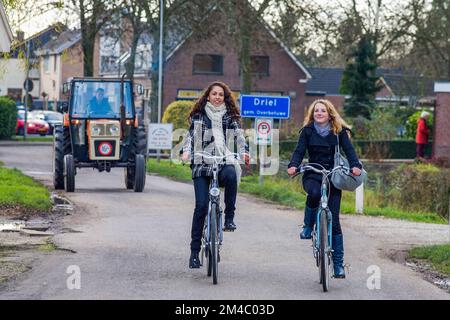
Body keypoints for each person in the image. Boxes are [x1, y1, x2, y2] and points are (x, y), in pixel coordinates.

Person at [287, 99, 362, 278]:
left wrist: (355, 165)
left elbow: (349, 150)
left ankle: (338, 266)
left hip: (333, 175)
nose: (319, 113)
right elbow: (299, 151)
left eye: (323, 111)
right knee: (313, 193)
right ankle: (307, 225)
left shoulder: (339, 132)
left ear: (330, 114)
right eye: (316, 111)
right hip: (313, 173)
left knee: (334, 220)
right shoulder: (307, 131)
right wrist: (293, 165)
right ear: (312, 114)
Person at [181, 81, 250, 269]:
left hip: (223, 160)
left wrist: (244, 151)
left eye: (221, 94)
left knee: (231, 174)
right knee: (201, 206)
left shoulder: (229, 116)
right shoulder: (199, 115)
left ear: (225, 97)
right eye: (214, 94)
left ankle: (229, 217)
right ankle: (194, 253)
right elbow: (190, 137)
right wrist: (186, 152)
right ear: (208, 96)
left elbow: (239, 135)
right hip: (202, 163)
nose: (217, 97)